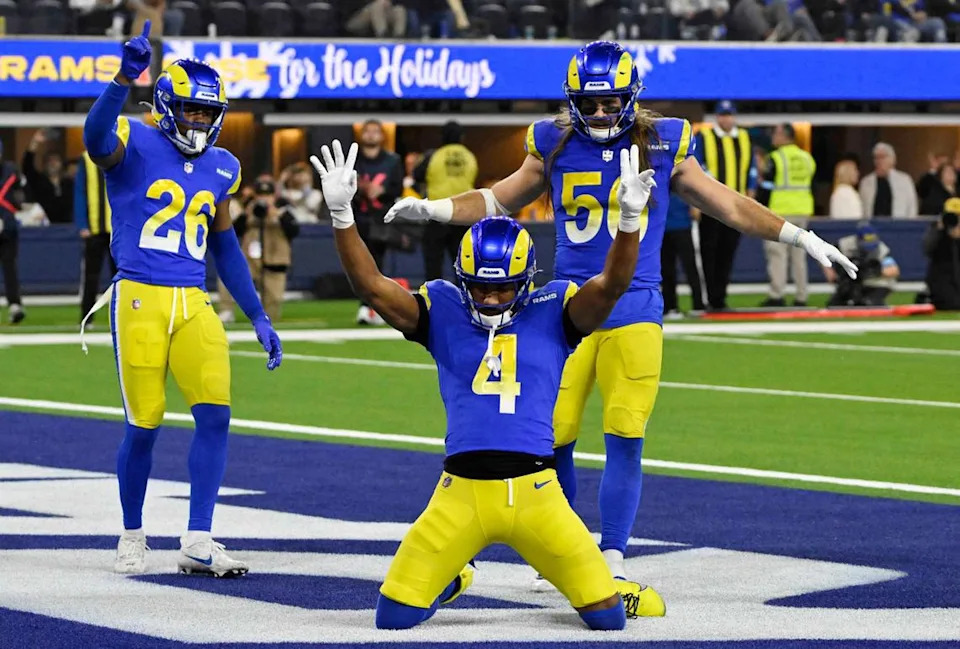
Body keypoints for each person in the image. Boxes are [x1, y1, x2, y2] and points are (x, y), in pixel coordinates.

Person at [383, 41, 858, 595]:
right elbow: (497, 199)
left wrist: (799, 235)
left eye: (611, 102)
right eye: (590, 103)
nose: (602, 112)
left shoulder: (664, 142)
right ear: (572, 100)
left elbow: (727, 205)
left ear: (631, 96)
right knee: (552, 437)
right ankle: (558, 547)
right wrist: (437, 209)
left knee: (625, 431)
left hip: (634, 305)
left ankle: (611, 554)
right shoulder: (553, 141)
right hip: (567, 310)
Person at [311, 137, 660, 630]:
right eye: (479, 286)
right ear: (462, 278)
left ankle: (615, 590)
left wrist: (628, 224)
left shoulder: (555, 310)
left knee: (607, 620)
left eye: (501, 287)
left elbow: (613, 286)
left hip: (539, 493)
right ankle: (455, 576)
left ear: (526, 281)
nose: (491, 298)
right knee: (393, 617)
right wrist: (342, 216)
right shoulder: (443, 309)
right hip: (460, 493)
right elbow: (372, 286)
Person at [81, 22, 282, 577]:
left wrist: (258, 314)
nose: (199, 120)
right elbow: (95, 140)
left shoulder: (223, 165)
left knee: (216, 415)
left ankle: (198, 537)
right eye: (191, 109)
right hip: (139, 295)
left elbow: (225, 245)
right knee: (144, 423)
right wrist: (122, 79)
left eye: (207, 113)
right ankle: (132, 532)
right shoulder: (134, 137)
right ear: (168, 105)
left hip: (192, 299)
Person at [694, 100, 756, 311]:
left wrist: (751, 193)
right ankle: (710, 296)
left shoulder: (744, 137)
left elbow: (751, 169)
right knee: (709, 251)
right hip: (711, 206)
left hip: (736, 207)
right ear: (717, 117)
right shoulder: (705, 137)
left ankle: (720, 298)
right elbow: (698, 168)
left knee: (727, 252)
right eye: (723, 115)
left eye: (729, 115)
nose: (726, 119)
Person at [220, 176, 300, 323]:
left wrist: (276, 215)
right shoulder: (249, 209)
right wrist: (246, 214)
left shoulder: (283, 209)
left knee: (273, 306)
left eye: (267, 194)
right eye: (260, 194)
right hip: (250, 259)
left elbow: (294, 231)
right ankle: (226, 310)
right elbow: (234, 231)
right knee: (230, 276)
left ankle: (266, 318)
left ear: (274, 195)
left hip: (275, 260)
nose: (264, 198)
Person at [353, 119, 403, 325]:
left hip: (381, 218)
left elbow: (397, 188)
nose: (371, 135)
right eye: (368, 131)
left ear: (382, 136)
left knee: (378, 264)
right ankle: (363, 305)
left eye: (375, 131)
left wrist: (382, 191)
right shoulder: (353, 160)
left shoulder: (392, 160)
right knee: (358, 264)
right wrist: (359, 188)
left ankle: (376, 307)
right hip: (358, 218)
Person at [760, 123, 816, 307]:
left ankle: (777, 294)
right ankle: (802, 296)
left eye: (775, 133)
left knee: (777, 253)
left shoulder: (776, 157)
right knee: (799, 256)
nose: (773, 137)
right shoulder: (806, 158)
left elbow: (767, 185)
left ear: (784, 136)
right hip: (802, 209)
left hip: (781, 210)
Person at [415, 120, 477, 281]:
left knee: (433, 264)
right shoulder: (470, 156)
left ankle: (433, 293)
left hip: (437, 215)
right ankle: (463, 294)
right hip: (462, 216)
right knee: (463, 265)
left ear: (442, 137)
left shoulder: (433, 156)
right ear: (462, 137)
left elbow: (417, 175)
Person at [75, 149, 117, 327]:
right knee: (91, 276)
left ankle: (120, 314)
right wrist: (82, 223)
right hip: (94, 229)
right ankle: (86, 317)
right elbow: (80, 191)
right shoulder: (86, 158)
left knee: (121, 277)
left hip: (117, 229)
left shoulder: (121, 151)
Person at [825, 223, 899, 306]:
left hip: (874, 281)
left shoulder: (882, 249)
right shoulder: (844, 244)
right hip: (850, 281)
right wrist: (830, 272)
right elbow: (823, 254)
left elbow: (894, 270)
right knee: (836, 303)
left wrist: (875, 271)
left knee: (870, 302)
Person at [661, 193, 705, 318]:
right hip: (664, 226)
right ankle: (670, 306)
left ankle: (698, 305)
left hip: (682, 225)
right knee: (667, 269)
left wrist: (696, 205)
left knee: (690, 266)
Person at [22, 130, 74, 224]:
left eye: (56, 160)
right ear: (44, 164)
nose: (53, 163)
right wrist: (35, 142)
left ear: (61, 164)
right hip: (43, 226)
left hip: (67, 226)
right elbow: (27, 166)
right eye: (50, 160)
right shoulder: (38, 181)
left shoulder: (68, 183)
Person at [0, 141, 25, 324]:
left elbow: (19, 195)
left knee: (9, 266)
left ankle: (15, 304)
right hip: (7, 222)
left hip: (8, 227)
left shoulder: (11, 170)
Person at [859, 142, 918, 219]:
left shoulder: (904, 180)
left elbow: (912, 207)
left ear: (892, 160)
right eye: (876, 157)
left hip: (898, 224)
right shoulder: (866, 182)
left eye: (882, 157)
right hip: (873, 224)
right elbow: (862, 209)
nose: (879, 161)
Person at [923, 198, 960, 310]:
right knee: (953, 304)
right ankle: (928, 298)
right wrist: (939, 231)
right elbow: (927, 250)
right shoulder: (937, 229)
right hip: (942, 278)